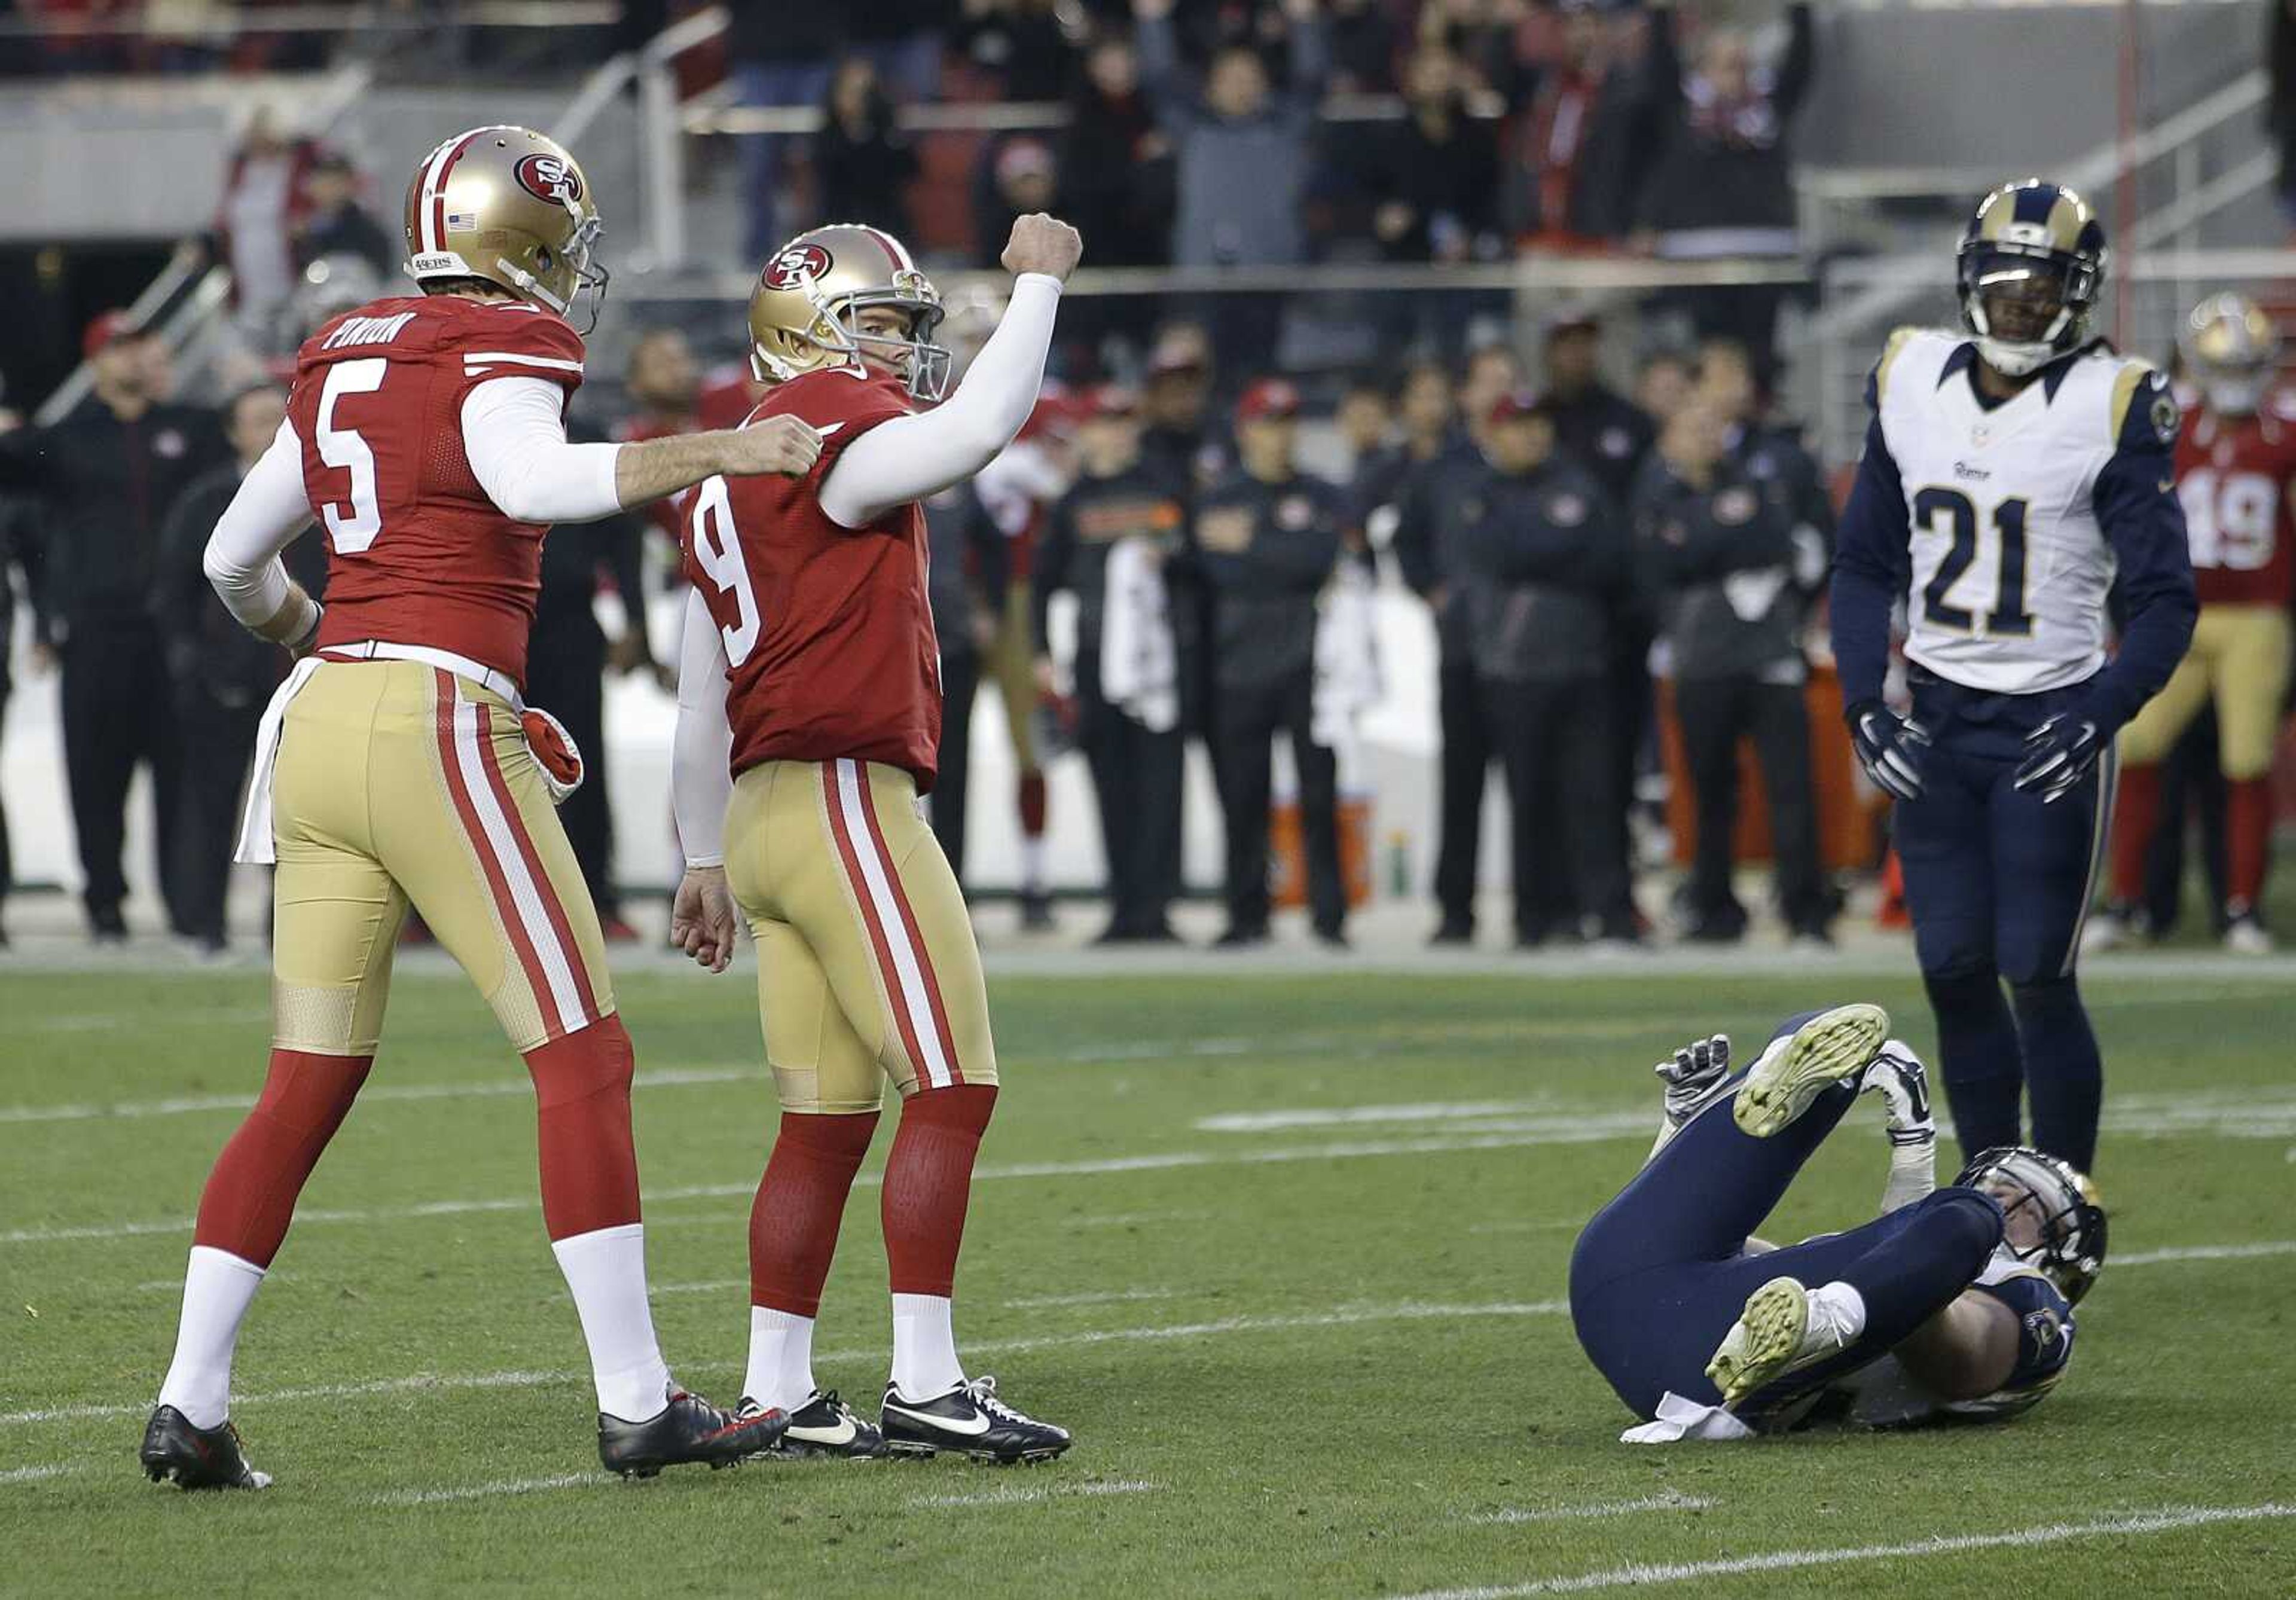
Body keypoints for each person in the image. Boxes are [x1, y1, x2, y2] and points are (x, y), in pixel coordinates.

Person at [140, 126, 812, 1491]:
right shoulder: (507, 348)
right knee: (583, 1055)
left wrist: (316, 634)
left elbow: (230, 558)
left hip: (322, 723)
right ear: (534, 242)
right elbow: (523, 480)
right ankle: (636, 1402)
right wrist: (713, 452)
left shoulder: (344, 345)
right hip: (436, 724)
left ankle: (189, 1403)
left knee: (308, 1077)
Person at [668, 215, 1081, 1462]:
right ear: (807, 332)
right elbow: (978, 433)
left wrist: (698, 854)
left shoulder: (722, 477)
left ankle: (780, 1388)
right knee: (952, 1087)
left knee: (825, 1120)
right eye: (884, 324)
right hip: (847, 801)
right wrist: (1037, 286)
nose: (906, 349)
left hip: (762, 816)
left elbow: (701, 690)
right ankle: (926, 1381)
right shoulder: (829, 437)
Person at [1830, 181, 2196, 1175]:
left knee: (2037, 971)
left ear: (2078, 295)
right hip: (1938, 719)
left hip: (2051, 720)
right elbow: (1864, 562)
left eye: (2042, 287)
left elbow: (2166, 600)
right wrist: (1866, 696)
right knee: (1951, 968)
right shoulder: (1909, 375)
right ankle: (1993, 1198)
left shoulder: (2113, 400)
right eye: (2004, 282)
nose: (2021, 304)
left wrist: (2101, 711)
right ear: (1968, 282)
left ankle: (2063, 1203)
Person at [1572, 1003, 2100, 1438]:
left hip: (1716, 1384)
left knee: (1966, 1218)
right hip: (1620, 1286)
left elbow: (1959, 1352)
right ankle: (1734, 1104)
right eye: (1997, 1190)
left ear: (2064, 1264)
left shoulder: (2035, 1310)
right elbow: (1705, 1267)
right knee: (1816, 1034)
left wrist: (1916, 1155)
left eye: (2028, 1210)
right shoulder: (1862, 1266)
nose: (2005, 1205)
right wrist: (1685, 1139)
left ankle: (1833, 1323)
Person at [0, 313, 221, 942]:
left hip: (175, 635)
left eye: (138, 347)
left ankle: (187, 905)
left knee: (182, 776)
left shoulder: (187, 428)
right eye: (118, 349)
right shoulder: (68, 439)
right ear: (95, 362)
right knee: (95, 774)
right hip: (97, 632)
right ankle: (104, 903)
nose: (132, 360)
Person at [2090, 292, 2296, 955]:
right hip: (2176, 615)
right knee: (2139, 748)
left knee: (2246, 762)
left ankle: (2242, 910)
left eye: (2246, 366)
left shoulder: (2284, 434)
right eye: (2224, 367)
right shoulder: (2166, 425)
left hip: (2256, 617)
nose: (2236, 381)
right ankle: (2126, 903)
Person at [1638, 398, 1831, 945]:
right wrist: (1721, 546)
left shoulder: (1759, 484)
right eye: (1691, 426)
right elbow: (1661, 562)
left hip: (1769, 658)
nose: (1704, 437)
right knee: (1709, 793)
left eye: (1711, 426)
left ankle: (1806, 910)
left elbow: (1778, 542)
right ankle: (1714, 907)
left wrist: (1703, 548)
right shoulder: (1656, 494)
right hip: (1701, 662)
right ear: (1669, 440)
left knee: (1791, 787)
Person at [1455, 390, 1637, 947]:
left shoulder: (1580, 485)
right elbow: (1501, 552)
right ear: (1494, 434)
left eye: (1537, 424)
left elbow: (1610, 556)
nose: (1531, 435)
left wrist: (1545, 552)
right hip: (1513, 671)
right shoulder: (1480, 493)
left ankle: (1608, 914)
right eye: (1518, 426)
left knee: (1595, 795)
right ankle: (1535, 917)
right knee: (1529, 797)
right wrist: (1561, 547)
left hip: (1581, 666)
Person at [151, 382, 325, 955]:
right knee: (212, 802)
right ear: (233, 432)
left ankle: (290, 930)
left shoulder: (326, 497)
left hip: (301, 680)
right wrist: (193, 662)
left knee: (298, 812)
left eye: (282, 417)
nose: (273, 430)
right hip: (224, 681)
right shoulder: (207, 500)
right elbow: (176, 587)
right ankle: (205, 924)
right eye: (259, 420)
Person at [1186, 378, 1347, 948]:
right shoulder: (1219, 497)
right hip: (1238, 665)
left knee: (1320, 794)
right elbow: (1216, 570)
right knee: (1242, 798)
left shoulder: (1325, 495)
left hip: (1310, 667)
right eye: (1267, 423)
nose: (1278, 436)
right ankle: (1246, 914)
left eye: (1286, 423)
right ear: (1245, 430)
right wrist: (1282, 556)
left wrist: (1251, 547)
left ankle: (1330, 916)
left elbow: (1320, 558)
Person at [1034, 385, 1189, 943]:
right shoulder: (1073, 501)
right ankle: (1125, 907)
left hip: (1158, 666)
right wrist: (1041, 654)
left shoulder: (1162, 487)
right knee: (1112, 785)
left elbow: (1189, 557)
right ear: (1088, 430)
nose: (1117, 432)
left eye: (1126, 421)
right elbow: (1043, 582)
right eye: (1107, 421)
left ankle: (1157, 907)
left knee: (1161, 787)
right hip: (1097, 662)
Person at [1626, 2, 1815, 384]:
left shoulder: (1768, 112)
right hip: (1695, 264)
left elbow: (1801, 66)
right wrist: (1660, 14)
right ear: (1704, 70)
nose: (1738, 74)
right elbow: (1660, 64)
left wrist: (1800, 11)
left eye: (1744, 65)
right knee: (1705, 362)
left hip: (1765, 259)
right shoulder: (1682, 111)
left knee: (1760, 365)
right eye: (1728, 65)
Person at [1382, 360, 1485, 943]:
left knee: (1538, 785)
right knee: (1462, 782)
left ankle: (1545, 908)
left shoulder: (1538, 461)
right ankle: (1455, 908)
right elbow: (1406, 539)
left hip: (1527, 653)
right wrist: (1434, 592)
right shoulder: (1441, 472)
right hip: (1464, 646)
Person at [923, 480, 1005, 891]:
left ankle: (950, 887)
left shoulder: (964, 486)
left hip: (951, 645)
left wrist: (991, 608)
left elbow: (997, 550)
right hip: (899, 648)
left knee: (951, 770)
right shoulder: (893, 475)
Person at [809, 59, 921, 240]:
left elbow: (910, 169)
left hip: (883, 220)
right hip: (838, 221)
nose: (856, 100)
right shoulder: (829, 135)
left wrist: (877, 139)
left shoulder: (886, 131)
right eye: (850, 91)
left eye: (864, 92)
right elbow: (828, 175)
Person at [294, 149, 393, 276]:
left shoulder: (368, 231)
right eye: (322, 181)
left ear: (351, 184)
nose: (328, 189)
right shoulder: (305, 233)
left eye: (335, 182)